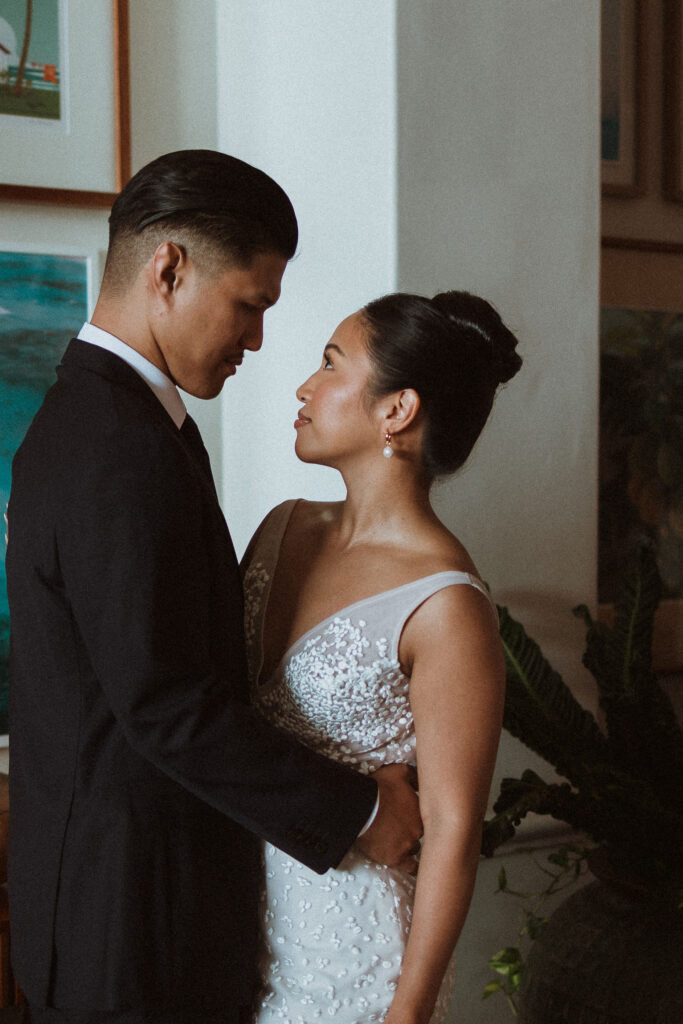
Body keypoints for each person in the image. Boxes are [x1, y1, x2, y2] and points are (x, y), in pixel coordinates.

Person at [5, 150, 423, 1024]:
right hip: (130, 925)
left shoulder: (115, 420)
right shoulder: (114, 445)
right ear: (169, 268)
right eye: (250, 304)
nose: (258, 340)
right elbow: (164, 703)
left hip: (125, 905)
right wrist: (355, 811)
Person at [241, 289, 522, 1023]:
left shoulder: (446, 604)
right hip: (236, 927)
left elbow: (455, 834)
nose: (304, 384)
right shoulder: (281, 531)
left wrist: (407, 1014)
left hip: (354, 963)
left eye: (330, 364)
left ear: (396, 410)